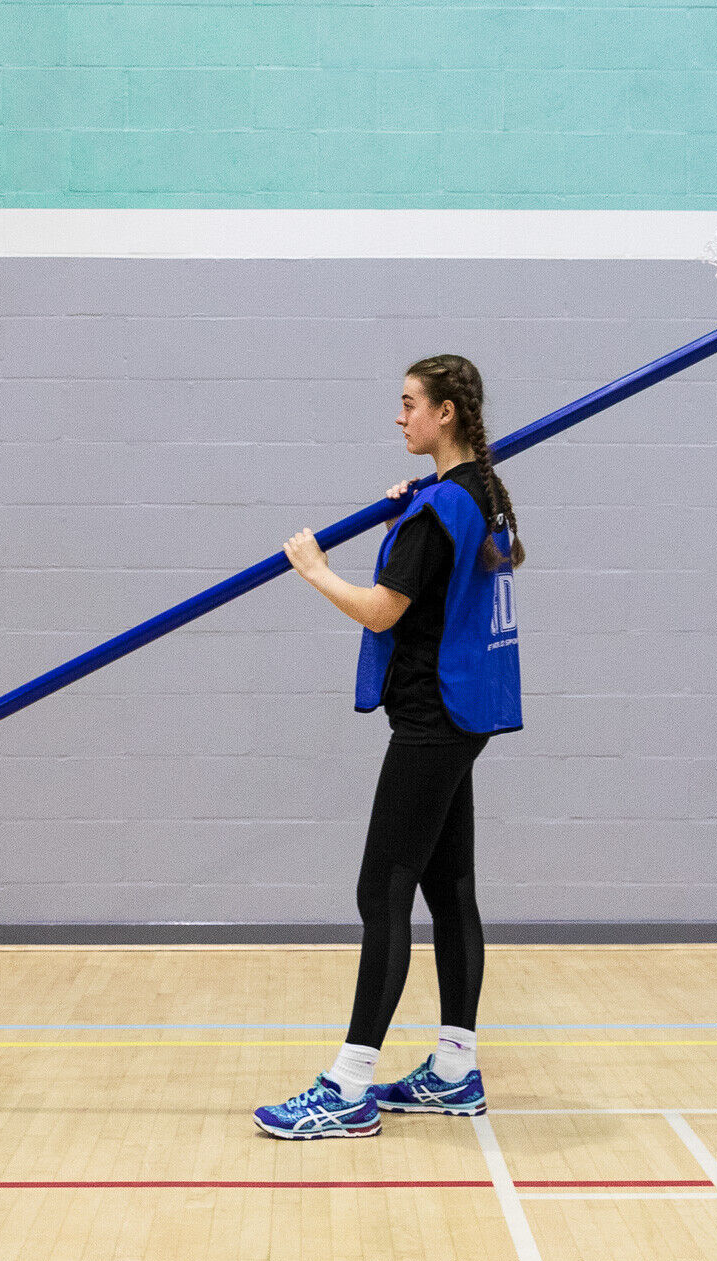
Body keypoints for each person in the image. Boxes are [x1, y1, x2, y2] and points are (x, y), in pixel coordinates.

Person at [253, 354, 525, 1140]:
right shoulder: (481, 495)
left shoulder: (443, 507)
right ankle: (453, 1071)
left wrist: (314, 570)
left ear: (445, 413)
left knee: (383, 895)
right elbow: (469, 576)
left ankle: (348, 1087)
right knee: (449, 890)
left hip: (434, 720)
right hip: (465, 715)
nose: (400, 417)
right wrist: (407, 518)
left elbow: (380, 612)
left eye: (410, 404)